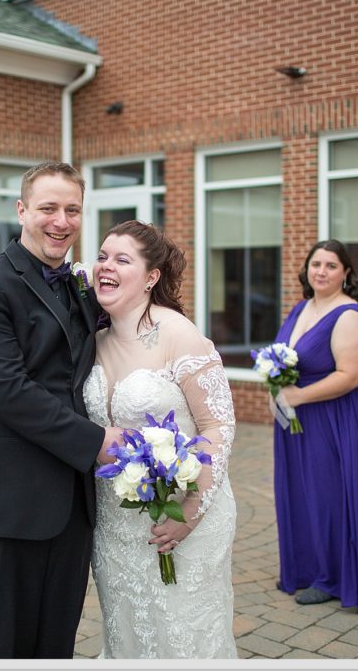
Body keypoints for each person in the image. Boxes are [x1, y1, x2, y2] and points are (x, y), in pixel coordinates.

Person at [0, 161, 123, 659]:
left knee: (52, 648)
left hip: (68, 504)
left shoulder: (80, 286)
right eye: (48, 208)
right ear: (22, 211)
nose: (61, 221)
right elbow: (6, 389)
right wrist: (96, 441)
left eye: (73, 210)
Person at [84, 220, 237, 658]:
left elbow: (218, 426)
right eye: (102, 256)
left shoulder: (178, 334)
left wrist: (188, 513)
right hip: (115, 525)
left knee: (183, 636)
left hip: (185, 513)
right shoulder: (92, 339)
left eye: (122, 259)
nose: (105, 267)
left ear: (152, 277)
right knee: (128, 633)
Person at [271, 239, 358, 611]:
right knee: (300, 491)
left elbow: (350, 376)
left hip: (331, 418)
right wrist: (277, 389)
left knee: (327, 496)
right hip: (295, 418)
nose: (321, 271)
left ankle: (331, 576)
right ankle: (305, 567)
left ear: (346, 273)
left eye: (331, 265)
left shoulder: (348, 314)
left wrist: (297, 397)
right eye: (316, 264)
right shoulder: (301, 308)